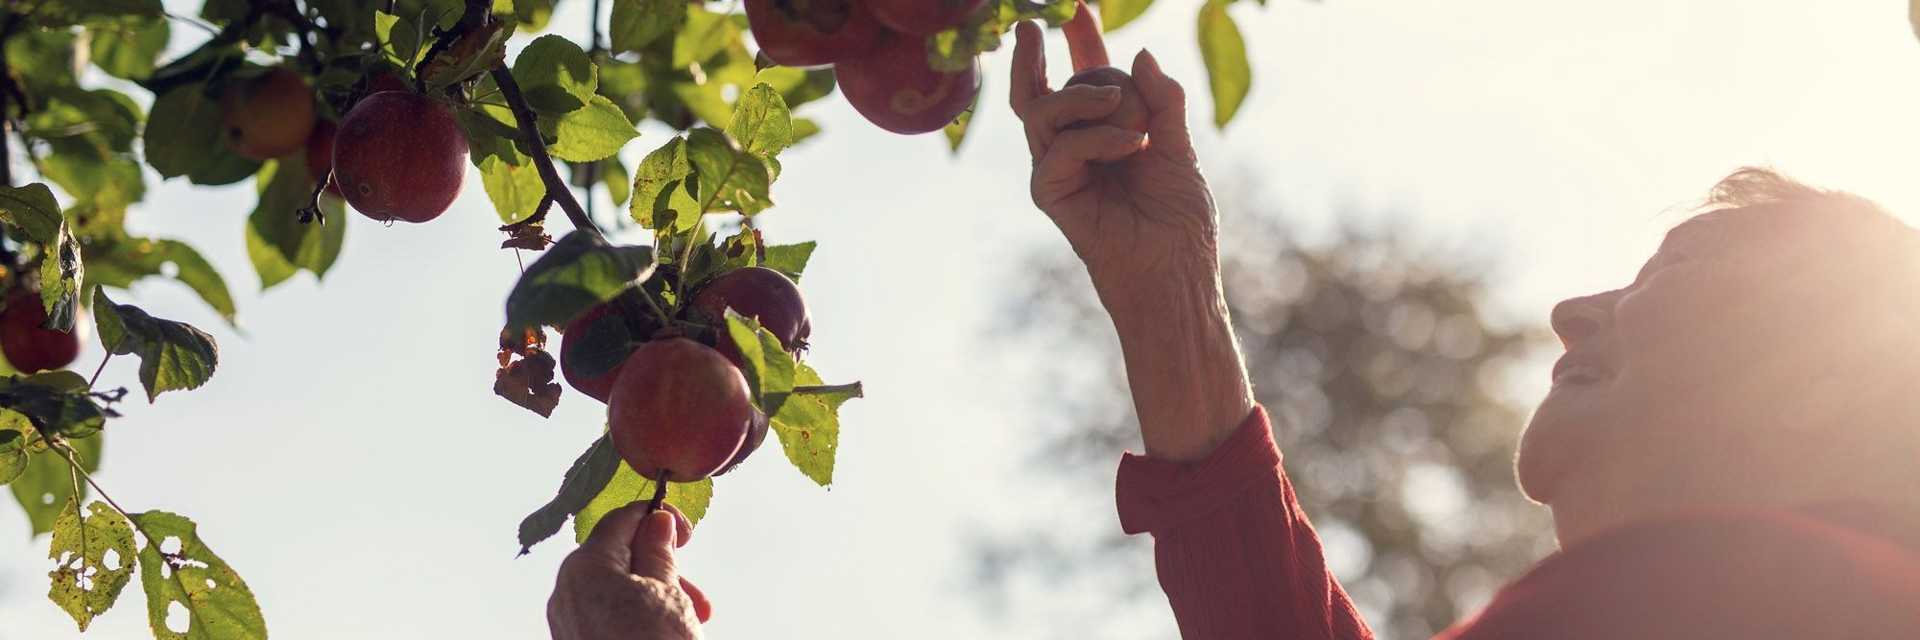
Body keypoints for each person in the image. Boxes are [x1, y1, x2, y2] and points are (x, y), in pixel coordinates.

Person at [549, 19, 1920, 640]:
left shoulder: (1773, 596)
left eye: (1675, 268)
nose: (1577, 302)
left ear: (1824, 381)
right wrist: (1167, 292)